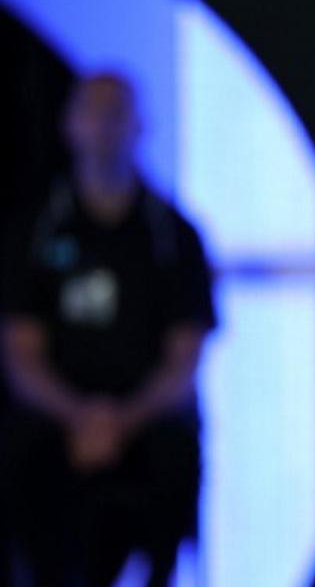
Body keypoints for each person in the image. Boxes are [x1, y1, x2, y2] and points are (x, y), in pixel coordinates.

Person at [0, 73, 214, 587]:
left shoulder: (174, 235)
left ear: (139, 126)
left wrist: (120, 422)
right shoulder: (36, 229)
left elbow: (184, 360)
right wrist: (79, 417)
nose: (105, 127)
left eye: (117, 113)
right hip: (57, 418)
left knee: (175, 455)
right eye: (93, 113)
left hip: (145, 418)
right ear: (70, 125)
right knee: (20, 455)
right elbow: (20, 355)